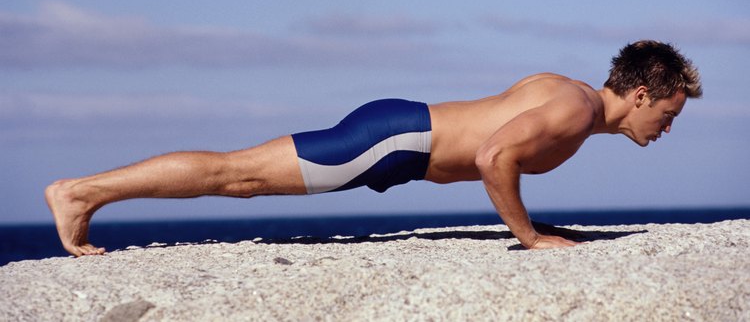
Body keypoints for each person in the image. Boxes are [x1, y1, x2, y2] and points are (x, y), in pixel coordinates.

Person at [45, 40, 702, 256]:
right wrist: (528, 238)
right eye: (669, 114)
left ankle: (87, 192)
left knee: (238, 171)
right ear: (641, 94)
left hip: (399, 135)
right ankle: (81, 192)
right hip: (395, 142)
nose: (667, 129)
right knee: (237, 175)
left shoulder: (568, 92)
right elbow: (491, 156)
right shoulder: (577, 106)